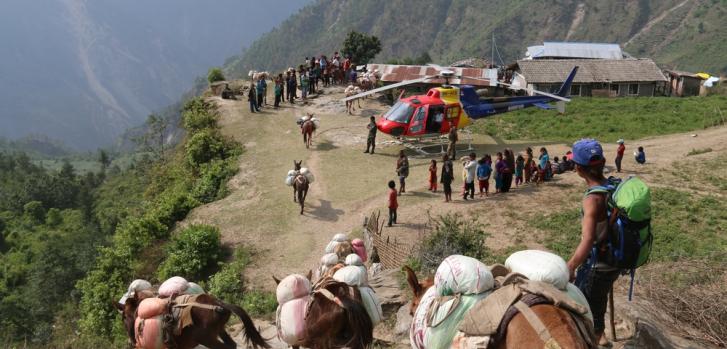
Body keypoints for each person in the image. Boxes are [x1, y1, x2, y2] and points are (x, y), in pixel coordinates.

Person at [566, 138, 619, 348]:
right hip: (616, 259)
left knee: (582, 304)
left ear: (578, 169)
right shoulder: (613, 185)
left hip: (599, 262)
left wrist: (570, 266)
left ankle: (596, 339)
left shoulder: (592, 199)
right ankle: (601, 334)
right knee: (598, 297)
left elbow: (588, 239)